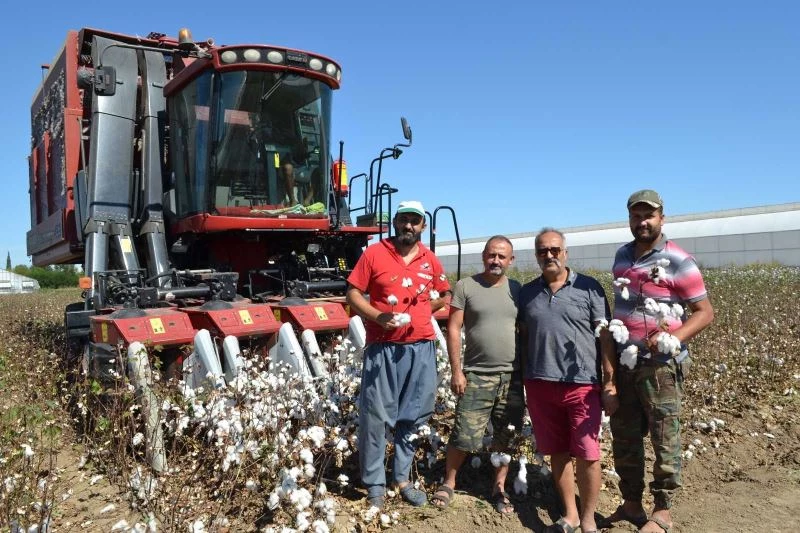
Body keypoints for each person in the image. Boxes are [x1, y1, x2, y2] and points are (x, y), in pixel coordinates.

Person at [601, 190, 714, 533]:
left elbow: (705, 312)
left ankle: (663, 510)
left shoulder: (678, 260)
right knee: (625, 436)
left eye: (648, 215)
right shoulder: (622, 256)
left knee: (665, 436)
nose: (642, 221)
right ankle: (632, 503)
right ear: (630, 220)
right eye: (636, 216)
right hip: (626, 363)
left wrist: (671, 337)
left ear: (662, 218)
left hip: (662, 366)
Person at [346, 200, 451, 509]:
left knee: (414, 414)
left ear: (422, 226)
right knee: (376, 416)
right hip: (383, 348)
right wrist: (377, 316)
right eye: (404, 220)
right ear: (395, 222)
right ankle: (375, 485)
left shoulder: (430, 259)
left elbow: (444, 295)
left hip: (422, 347)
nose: (409, 226)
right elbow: (352, 292)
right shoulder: (375, 253)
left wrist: (419, 310)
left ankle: (402, 478)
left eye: (415, 221)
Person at [518, 228, 614, 533]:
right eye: (543, 251)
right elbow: (521, 335)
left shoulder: (590, 289)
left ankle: (588, 519)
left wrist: (610, 382)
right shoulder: (527, 293)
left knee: (588, 453)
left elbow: (606, 339)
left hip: (582, 386)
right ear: (536, 256)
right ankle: (570, 515)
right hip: (539, 384)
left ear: (565, 253)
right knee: (557, 451)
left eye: (555, 250)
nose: (549, 255)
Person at [431, 236, 524, 513]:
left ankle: (499, 488)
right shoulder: (466, 286)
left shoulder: (518, 289)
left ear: (511, 260)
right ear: (484, 256)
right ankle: (449, 482)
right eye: (491, 255)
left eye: (502, 256)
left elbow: (526, 331)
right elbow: (454, 328)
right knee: (463, 433)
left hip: (512, 376)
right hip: (476, 374)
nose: (496, 260)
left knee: (507, 435)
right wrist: (457, 370)